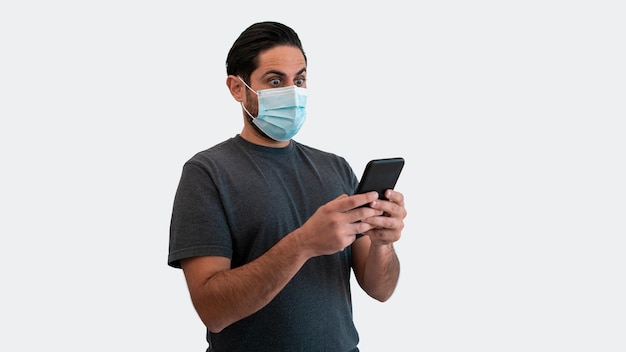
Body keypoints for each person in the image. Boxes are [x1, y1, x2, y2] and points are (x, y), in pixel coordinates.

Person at [168, 21, 407, 352]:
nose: (292, 93)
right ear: (238, 89)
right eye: (275, 81)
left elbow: (381, 290)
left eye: (300, 80)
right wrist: (304, 243)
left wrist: (383, 244)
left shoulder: (335, 167)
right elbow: (212, 310)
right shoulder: (207, 172)